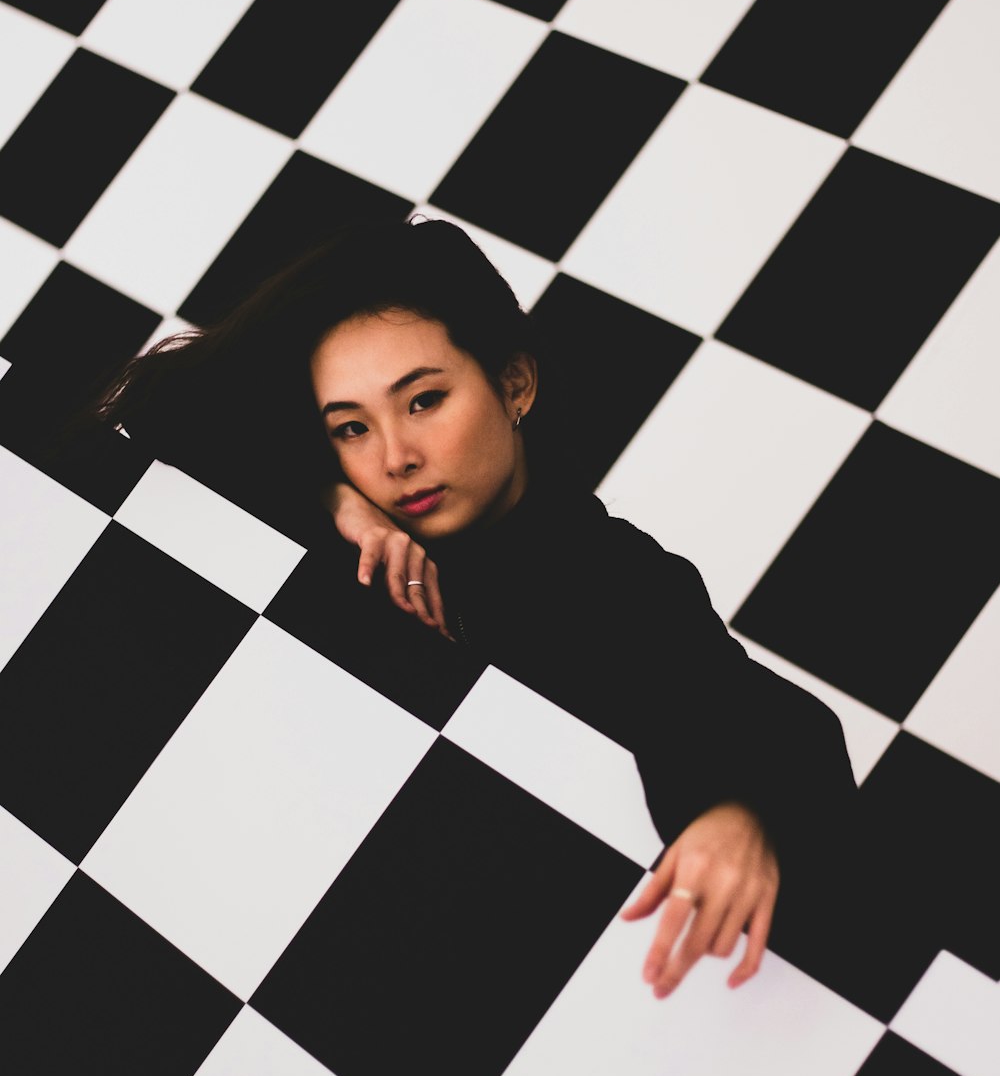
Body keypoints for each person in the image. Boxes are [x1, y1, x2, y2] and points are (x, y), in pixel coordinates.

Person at [27, 214, 859, 1003]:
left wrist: (734, 813)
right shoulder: (340, 530)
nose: (395, 458)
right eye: (351, 428)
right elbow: (163, 416)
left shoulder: (615, 577)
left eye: (424, 401)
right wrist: (333, 501)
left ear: (514, 383)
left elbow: (769, 723)